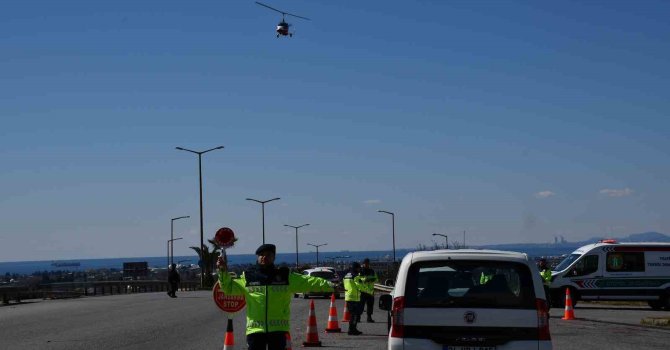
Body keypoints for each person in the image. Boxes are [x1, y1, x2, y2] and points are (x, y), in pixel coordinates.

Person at [217, 243, 334, 350]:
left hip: (278, 330)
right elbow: (228, 288)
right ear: (257, 257)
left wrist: (331, 285)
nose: (264, 257)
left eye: (268, 255)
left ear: (274, 257)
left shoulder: (284, 276)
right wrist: (222, 271)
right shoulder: (248, 277)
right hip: (255, 330)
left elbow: (308, 282)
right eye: (261, 255)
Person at [343, 262, 373, 335]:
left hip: (348, 297)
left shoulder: (346, 275)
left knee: (352, 314)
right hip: (355, 297)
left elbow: (344, 284)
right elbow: (360, 286)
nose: (360, 269)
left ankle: (352, 329)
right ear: (356, 268)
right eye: (359, 268)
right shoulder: (355, 276)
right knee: (355, 315)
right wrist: (369, 291)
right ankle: (352, 329)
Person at [359, 258, 378, 322]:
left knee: (370, 305)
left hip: (370, 291)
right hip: (363, 291)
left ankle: (369, 318)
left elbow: (376, 279)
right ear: (363, 264)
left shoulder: (372, 271)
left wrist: (372, 279)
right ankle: (358, 318)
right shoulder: (360, 271)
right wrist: (365, 279)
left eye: (368, 263)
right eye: (366, 263)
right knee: (361, 305)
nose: (367, 264)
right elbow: (358, 279)